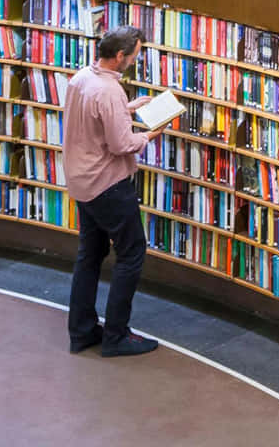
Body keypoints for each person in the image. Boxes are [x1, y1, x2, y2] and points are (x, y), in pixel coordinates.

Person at [64, 25, 162, 357]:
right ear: (120, 56)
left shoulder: (81, 78)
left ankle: (81, 331)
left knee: (89, 254)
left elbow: (93, 119)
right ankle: (117, 335)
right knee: (132, 253)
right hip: (107, 184)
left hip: (81, 181)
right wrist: (149, 135)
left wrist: (129, 108)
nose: (134, 62)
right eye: (134, 57)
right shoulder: (109, 92)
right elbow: (122, 144)